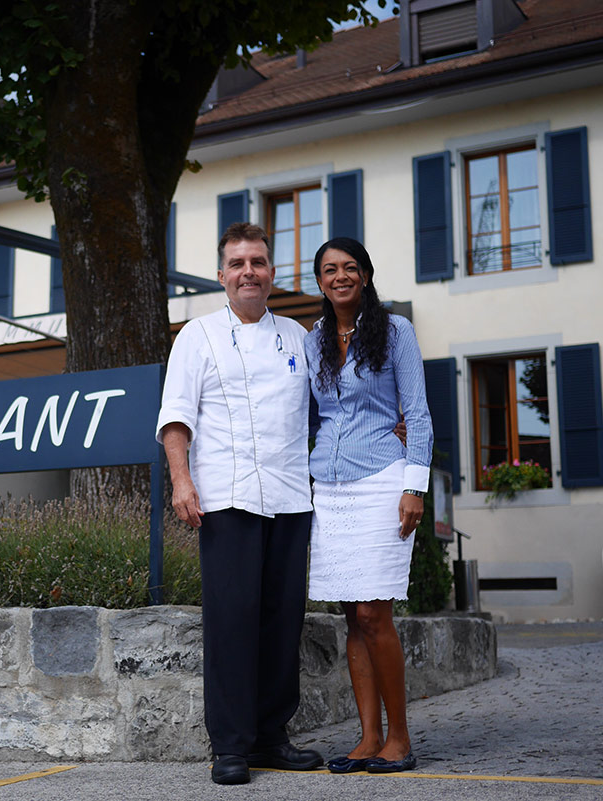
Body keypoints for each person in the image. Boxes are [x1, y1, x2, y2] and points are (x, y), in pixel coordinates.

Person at [156, 222, 321, 785]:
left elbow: (336, 404)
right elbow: (176, 416)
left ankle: (272, 737)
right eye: (238, 263)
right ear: (222, 275)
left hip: (290, 495)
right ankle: (229, 745)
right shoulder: (195, 336)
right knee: (231, 621)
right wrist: (182, 481)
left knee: (282, 621)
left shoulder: (300, 337)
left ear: (272, 272)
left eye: (258, 261)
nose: (248, 271)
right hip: (224, 498)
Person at [303, 237, 434, 775]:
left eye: (350, 267)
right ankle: (367, 737)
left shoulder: (396, 331)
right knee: (351, 618)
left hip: (382, 479)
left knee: (375, 613)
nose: (340, 277)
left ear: (366, 274)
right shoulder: (313, 339)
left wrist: (415, 487)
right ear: (319, 281)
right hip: (327, 489)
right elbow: (312, 414)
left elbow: (419, 414)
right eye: (330, 269)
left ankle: (400, 739)